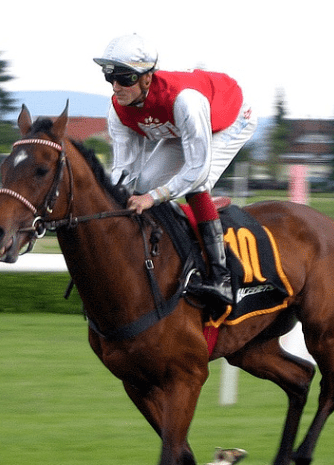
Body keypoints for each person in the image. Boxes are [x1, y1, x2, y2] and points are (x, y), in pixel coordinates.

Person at [94, 34, 257, 307]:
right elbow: (124, 171)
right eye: (109, 77)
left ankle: (221, 277)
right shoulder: (118, 110)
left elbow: (197, 170)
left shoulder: (185, 101)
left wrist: (152, 198)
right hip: (178, 126)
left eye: (125, 78)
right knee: (144, 182)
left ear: (147, 78)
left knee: (196, 185)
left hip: (231, 118)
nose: (116, 86)